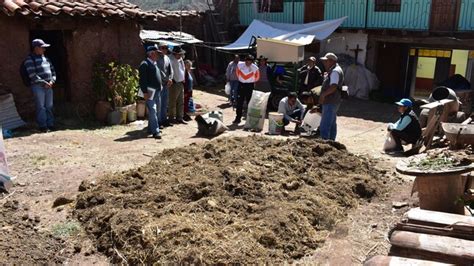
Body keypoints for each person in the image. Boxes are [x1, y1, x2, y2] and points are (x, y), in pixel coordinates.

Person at [25, 39, 57, 133]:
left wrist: (52, 81)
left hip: (49, 86)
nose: (44, 50)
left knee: (49, 106)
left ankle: (50, 124)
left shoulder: (46, 58)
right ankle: (43, 126)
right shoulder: (29, 60)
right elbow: (32, 75)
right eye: (42, 48)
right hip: (38, 87)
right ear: (36, 48)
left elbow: (53, 71)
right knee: (41, 107)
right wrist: (44, 83)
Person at [138, 45, 163, 139]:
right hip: (149, 92)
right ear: (152, 54)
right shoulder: (144, 64)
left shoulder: (154, 63)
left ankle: (150, 128)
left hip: (157, 91)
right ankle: (155, 131)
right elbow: (142, 80)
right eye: (156, 53)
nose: (158, 55)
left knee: (156, 111)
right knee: (153, 110)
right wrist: (144, 92)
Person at [319, 53, 344, 141]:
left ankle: (324, 142)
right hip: (334, 101)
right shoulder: (335, 70)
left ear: (331, 61)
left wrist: (323, 95)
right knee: (332, 123)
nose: (324, 63)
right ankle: (332, 142)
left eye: (326, 61)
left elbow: (333, 86)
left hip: (330, 101)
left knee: (325, 124)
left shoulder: (335, 71)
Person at [233, 54, 260, 124]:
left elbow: (257, 77)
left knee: (250, 103)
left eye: (250, 62)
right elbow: (237, 73)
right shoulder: (240, 65)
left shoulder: (255, 68)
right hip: (241, 85)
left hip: (249, 86)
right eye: (247, 61)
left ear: (252, 62)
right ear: (245, 61)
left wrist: (251, 81)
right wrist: (241, 79)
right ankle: (238, 118)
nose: (248, 63)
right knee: (239, 102)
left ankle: (250, 119)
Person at [168, 46, 187, 124]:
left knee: (181, 101)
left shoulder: (180, 59)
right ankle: (171, 118)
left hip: (180, 82)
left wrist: (183, 78)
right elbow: (169, 71)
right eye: (179, 54)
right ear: (174, 53)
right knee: (172, 102)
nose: (180, 55)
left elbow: (183, 69)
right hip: (174, 83)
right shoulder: (170, 60)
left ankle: (180, 117)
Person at [157, 43, 174, 128]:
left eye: (166, 48)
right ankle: (159, 122)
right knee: (159, 104)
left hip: (166, 84)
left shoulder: (167, 58)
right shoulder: (156, 58)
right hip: (159, 84)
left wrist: (170, 79)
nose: (164, 49)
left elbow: (171, 70)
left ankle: (164, 120)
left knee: (165, 103)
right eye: (163, 48)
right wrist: (166, 79)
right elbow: (159, 71)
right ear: (159, 48)